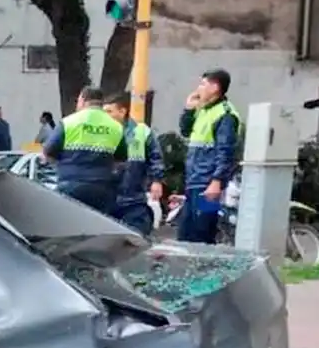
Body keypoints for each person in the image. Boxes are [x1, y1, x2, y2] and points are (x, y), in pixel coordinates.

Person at [178, 69, 241, 244]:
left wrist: (216, 182)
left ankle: (204, 269)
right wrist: (189, 110)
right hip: (194, 182)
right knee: (185, 233)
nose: (198, 88)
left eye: (203, 84)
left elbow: (225, 151)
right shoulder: (203, 111)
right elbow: (185, 131)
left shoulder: (225, 114)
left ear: (214, 87)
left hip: (208, 187)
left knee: (203, 232)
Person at [42, 86, 128, 215]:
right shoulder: (116, 127)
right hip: (102, 188)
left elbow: (48, 150)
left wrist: (59, 163)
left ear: (82, 100)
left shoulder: (68, 122)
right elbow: (122, 157)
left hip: (70, 185)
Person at [103, 93, 164, 236]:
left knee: (135, 239)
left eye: (109, 111)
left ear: (122, 111)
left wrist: (157, 181)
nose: (105, 116)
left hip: (133, 198)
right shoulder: (103, 132)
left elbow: (155, 157)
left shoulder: (141, 131)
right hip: (108, 197)